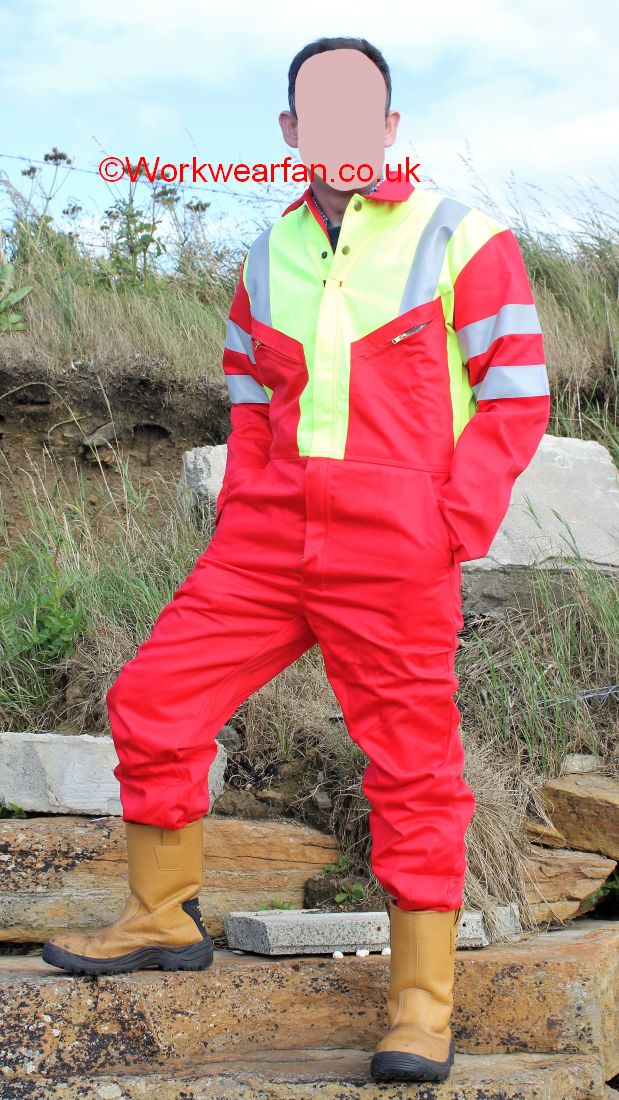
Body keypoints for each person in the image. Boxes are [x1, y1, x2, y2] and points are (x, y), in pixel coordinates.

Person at [42, 35, 550, 1086]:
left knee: (412, 768)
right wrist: (242, 513)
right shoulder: (264, 256)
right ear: (291, 131)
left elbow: (514, 397)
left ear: (389, 127)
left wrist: (448, 526)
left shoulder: (460, 236)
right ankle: (161, 914)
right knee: (152, 698)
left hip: (396, 543)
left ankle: (419, 1003)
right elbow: (248, 401)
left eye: (361, 112)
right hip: (267, 539)